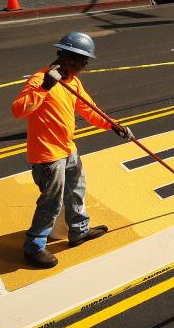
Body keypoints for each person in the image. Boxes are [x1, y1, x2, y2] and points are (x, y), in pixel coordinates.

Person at [12, 31, 130, 268]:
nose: (82, 66)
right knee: (52, 202)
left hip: (68, 150)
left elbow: (89, 109)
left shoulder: (73, 82)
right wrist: (45, 87)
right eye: (80, 61)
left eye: (85, 62)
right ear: (64, 56)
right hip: (47, 156)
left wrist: (111, 125)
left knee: (76, 190)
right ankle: (33, 247)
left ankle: (79, 230)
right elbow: (19, 110)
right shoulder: (40, 79)